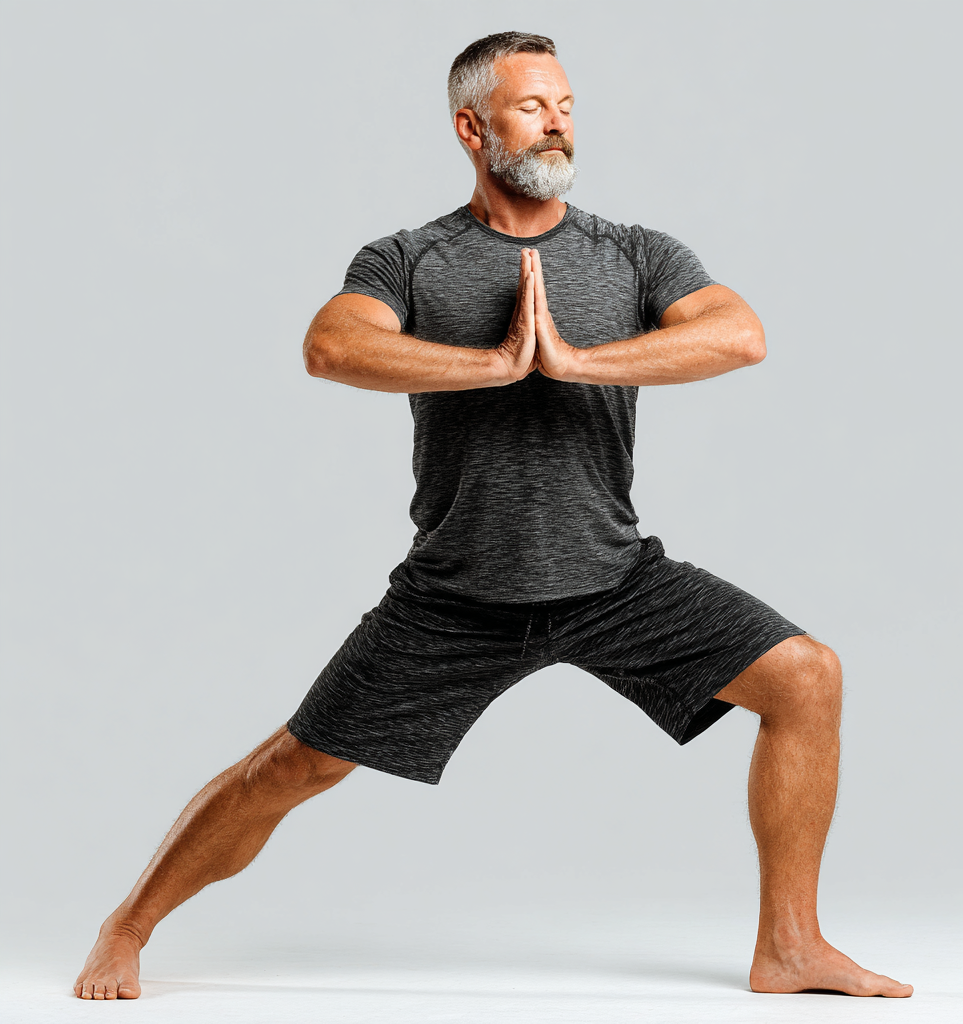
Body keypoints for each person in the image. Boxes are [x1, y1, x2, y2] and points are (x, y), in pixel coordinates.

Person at [74, 31, 913, 1001]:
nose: (557, 119)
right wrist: (490, 365)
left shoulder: (633, 253)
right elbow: (330, 346)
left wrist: (577, 360)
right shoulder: (411, 259)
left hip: (612, 577)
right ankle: (125, 923)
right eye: (531, 105)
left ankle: (791, 945)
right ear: (472, 126)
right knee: (293, 766)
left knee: (805, 677)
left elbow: (740, 334)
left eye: (565, 104)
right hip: (459, 590)